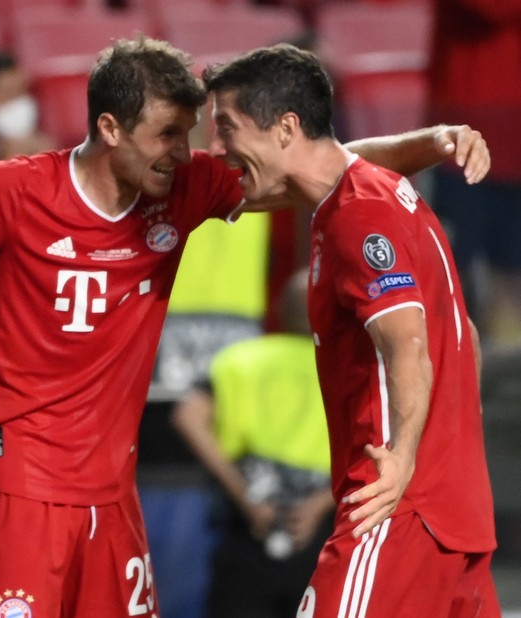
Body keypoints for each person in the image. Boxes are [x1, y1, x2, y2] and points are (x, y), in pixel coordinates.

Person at [0, 37, 490, 618]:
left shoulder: (183, 190)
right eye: (168, 135)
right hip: (16, 485)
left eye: (192, 135)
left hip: (111, 495)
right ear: (109, 128)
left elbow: (320, 161)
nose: (184, 153)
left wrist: (428, 142)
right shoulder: (19, 190)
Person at [202, 43, 499, 616]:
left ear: (285, 128)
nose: (218, 149)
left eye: (227, 128)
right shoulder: (371, 192)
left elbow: (408, 344)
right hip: (455, 507)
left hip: (395, 507)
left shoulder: (358, 218)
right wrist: (434, 140)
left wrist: (405, 455)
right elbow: (462, 332)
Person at [172, 268, 332, 617]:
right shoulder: (344, 369)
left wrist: (242, 491)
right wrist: (321, 502)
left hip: (248, 528)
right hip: (319, 539)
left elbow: (187, 416)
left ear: (281, 308)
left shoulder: (239, 360)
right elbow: (383, 446)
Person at [426, 0, 521, 345]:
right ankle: (459, 371)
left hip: (506, 148)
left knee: (508, 275)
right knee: (450, 274)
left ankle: (508, 387)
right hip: (462, 143)